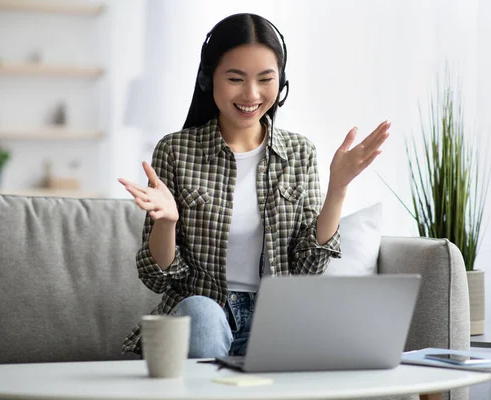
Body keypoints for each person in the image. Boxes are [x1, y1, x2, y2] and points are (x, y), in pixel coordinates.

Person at [119, 13, 390, 358]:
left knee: (335, 333)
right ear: (208, 79)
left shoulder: (299, 153)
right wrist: (167, 222)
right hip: (204, 318)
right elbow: (158, 279)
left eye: (265, 79)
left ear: (282, 83)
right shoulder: (175, 151)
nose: (251, 94)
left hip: (275, 322)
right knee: (202, 313)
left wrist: (337, 189)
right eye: (235, 78)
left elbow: (309, 267)